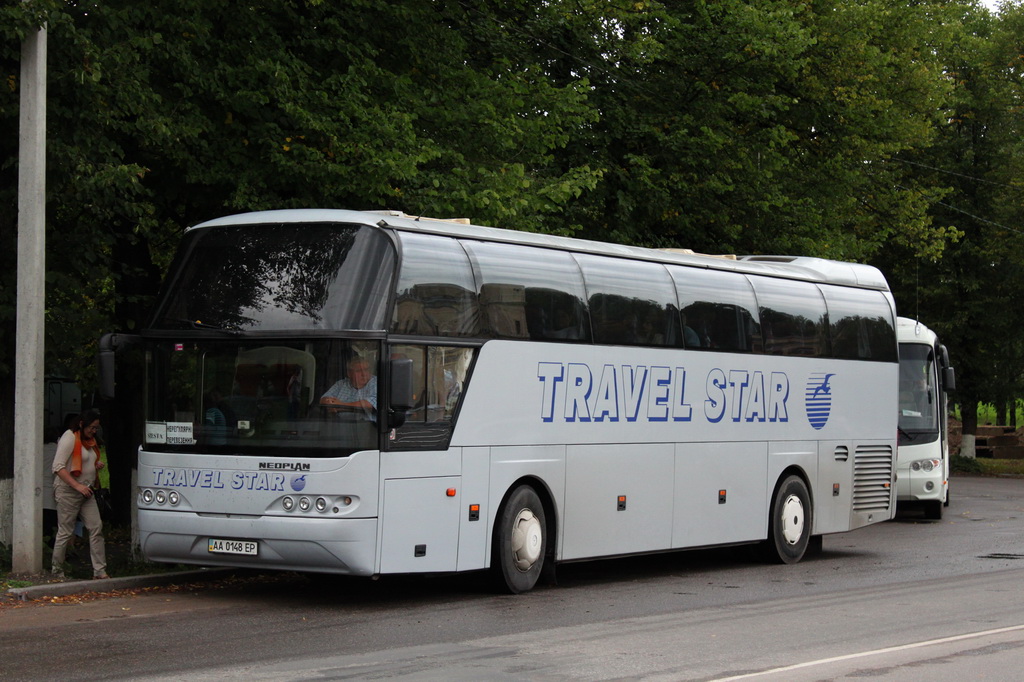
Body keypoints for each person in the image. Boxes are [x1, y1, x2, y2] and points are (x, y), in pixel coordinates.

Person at [50, 408, 108, 580]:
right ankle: (56, 570)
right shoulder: (70, 437)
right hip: (69, 491)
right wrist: (76, 485)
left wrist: (95, 465)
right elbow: (58, 467)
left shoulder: (88, 441)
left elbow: (85, 461)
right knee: (65, 531)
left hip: (87, 491)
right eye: (92, 427)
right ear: (82, 424)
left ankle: (100, 570)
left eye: (97, 428)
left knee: (96, 527)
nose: (94, 431)